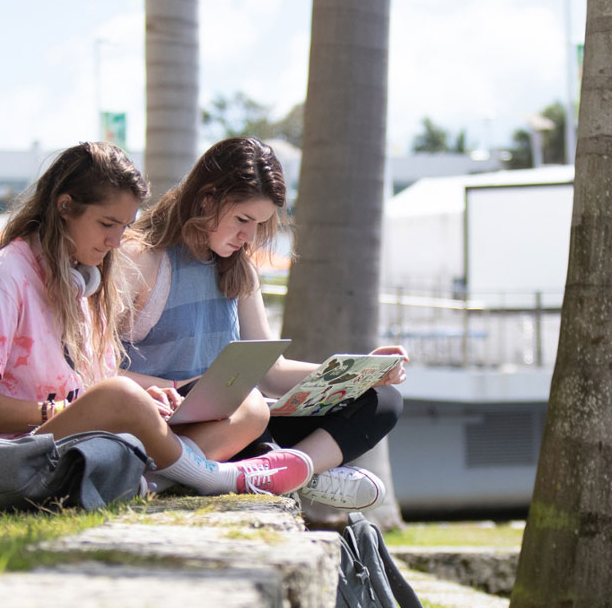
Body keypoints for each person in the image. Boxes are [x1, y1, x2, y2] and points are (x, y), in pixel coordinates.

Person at [0, 141, 311, 497]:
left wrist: (153, 396)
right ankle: (215, 478)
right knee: (121, 394)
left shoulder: (83, 276)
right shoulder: (1, 279)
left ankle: (149, 483)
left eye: (125, 226)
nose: (116, 241)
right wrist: (63, 409)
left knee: (249, 408)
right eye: (107, 223)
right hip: (26, 451)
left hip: (95, 437)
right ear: (65, 206)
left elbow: (98, 378)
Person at [121, 137, 407, 511]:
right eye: (242, 220)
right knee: (243, 402)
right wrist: (174, 389)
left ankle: (282, 469)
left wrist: (361, 372)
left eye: (259, 224)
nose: (249, 237)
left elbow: (271, 373)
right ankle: (294, 470)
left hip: (239, 415)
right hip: (170, 420)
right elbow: (92, 371)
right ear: (206, 198)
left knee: (382, 400)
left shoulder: (239, 266)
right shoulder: (141, 257)